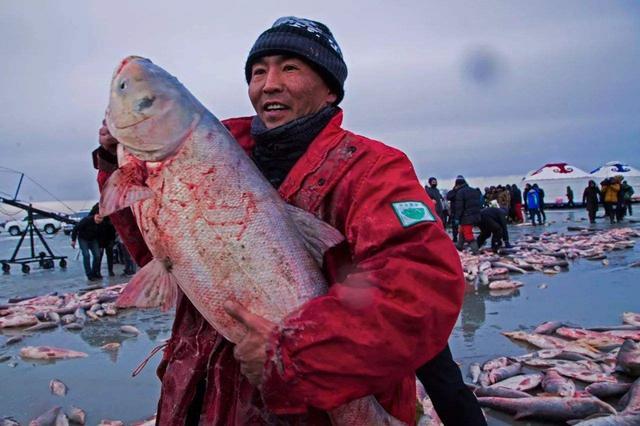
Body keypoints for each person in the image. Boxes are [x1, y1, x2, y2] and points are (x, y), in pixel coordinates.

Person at [94, 17, 484, 425]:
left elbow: (419, 288)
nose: (269, 83)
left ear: (331, 89)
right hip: (200, 399)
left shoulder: (373, 170)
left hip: (313, 407)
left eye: (290, 67)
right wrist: (117, 165)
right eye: (258, 71)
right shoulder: (211, 149)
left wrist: (295, 351)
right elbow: (158, 251)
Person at [452, 176, 481, 254]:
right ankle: (459, 246)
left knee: (468, 235)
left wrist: (457, 218)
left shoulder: (460, 192)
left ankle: (476, 252)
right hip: (475, 215)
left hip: (466, 217)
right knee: (462, 231)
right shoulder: (474, 191)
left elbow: (459, 207)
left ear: (457, 185)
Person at [70, 209, 102, 281]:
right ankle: (89, 274)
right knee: (86, 255)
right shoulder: (86, 220)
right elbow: (76, 228)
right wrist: (73, 240)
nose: (99, 220)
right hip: (83, 238)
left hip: (93, 239)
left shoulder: (100, 224)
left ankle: (94, 272)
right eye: (98, 218)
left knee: (97, 255)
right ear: (95, 216)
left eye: (101, 218)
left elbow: (101, 235)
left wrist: (101, 245)